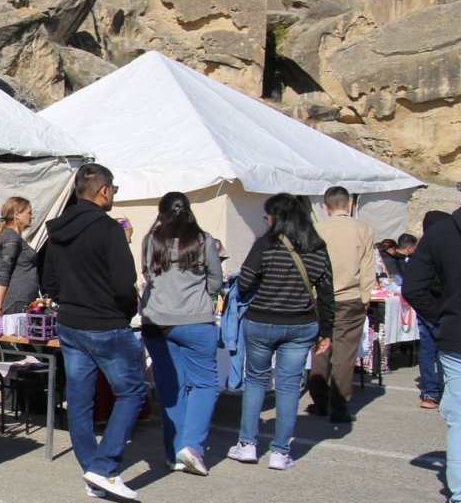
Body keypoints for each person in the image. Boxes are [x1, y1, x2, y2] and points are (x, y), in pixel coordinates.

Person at [40, 163, 146, 501]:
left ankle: (93, 470)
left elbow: (49, 282)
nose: (114, 194)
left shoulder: (58, 230)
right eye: (114, 189)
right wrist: (124, 312)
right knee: (132, 392)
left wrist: (72, 300)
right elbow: (124, 284)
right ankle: (102, 468)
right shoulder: (108, 229)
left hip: (71, 323)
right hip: (105, 325)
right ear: (103, 190)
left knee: (80, 401)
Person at [226, 194, 334, 471]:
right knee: (288, 386)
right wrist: (326, 331)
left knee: (255, 380)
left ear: (276, 217)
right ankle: (280, 451)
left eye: (267, 216)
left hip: (262, 321)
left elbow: (244, 283)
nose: (266, 221)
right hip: (301, 324)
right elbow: (326, 293)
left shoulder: (265, 244)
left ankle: (247, 444)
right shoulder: (317, 247)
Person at [138, 192, 224, 476]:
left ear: (161, 213)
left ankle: (174, 452)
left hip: (157, 321)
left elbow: (147, 276)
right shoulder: (203, 240)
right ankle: (192, 445)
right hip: (195, 319)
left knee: (170, 388)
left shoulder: (150, 241)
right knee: (204, 384)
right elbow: (216, 282)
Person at [400, 202, 461, 503]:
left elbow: (412, 288)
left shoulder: (439, 233)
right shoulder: (441, 231)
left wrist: (443, 316)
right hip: (454, 332)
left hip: (456, 335)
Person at [307, 185, 375, 424]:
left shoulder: (316, 229)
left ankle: (319, 400)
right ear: (350, 204)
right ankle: (339, 405)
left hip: (320, 298)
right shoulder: (363, 229)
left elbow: (309, 266)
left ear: (325, 207)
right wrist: (365, 298)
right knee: (345, 354)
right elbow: (367, 268)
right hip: (351, 297)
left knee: (320, 348)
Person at [408, 218, 445, 410]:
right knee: (443, 351)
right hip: (436, 308)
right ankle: (439, 391)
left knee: (428, 350)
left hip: (425, 307)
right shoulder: (440, 249)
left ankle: (431, 392)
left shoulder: (423, 251)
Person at [0, 196, 40, 317]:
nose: (31, 216)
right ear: (17, 214)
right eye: (29, 213)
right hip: (17, 302)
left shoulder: (15, 237)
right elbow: (4, 272)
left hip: (25, 300)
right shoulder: (11, 237)